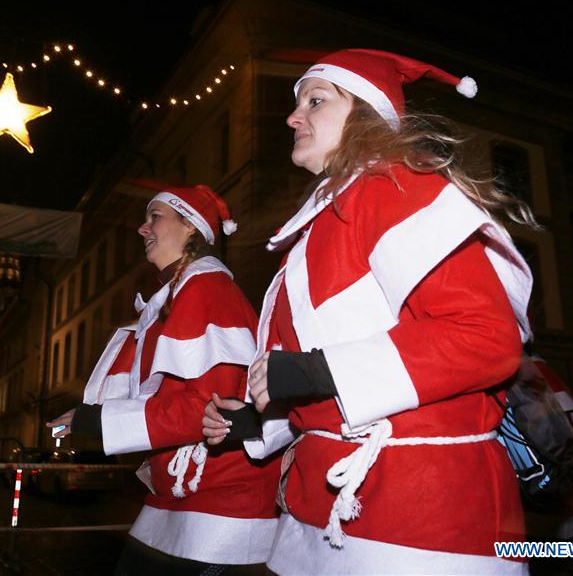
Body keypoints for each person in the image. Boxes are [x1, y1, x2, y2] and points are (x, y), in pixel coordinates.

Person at [202, 49, 536, 574]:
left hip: (418, 519)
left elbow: (484, 338)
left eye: (315, 101)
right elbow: (324, 384)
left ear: (366, 113)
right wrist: (253, 420)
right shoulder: (320, 223)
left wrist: (317, 370)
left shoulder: (394, 187)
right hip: (322, 511)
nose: (292, 117)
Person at [48, 183, 282, 574]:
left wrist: (95, 420)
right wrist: (94, 415)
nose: (143, 228)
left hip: (220, 501)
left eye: (155, 216)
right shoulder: (179, 293)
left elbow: (211, 408)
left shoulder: (206, 289)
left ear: (190, 227)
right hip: (183, 494)